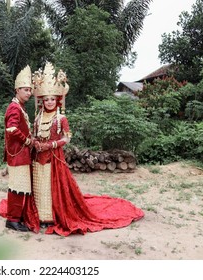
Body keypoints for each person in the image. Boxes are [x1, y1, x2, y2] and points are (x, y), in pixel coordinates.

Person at [28, 61, 144, 236]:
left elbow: (67, 138)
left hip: (54, 157)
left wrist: (51, 144)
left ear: (57, 99)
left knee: (54, 187)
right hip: (38, 158)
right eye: (46, 99)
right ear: (42, 100)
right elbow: (34, 133)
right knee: (39, 186)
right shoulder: (37, 117)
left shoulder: (61, 118)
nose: (50, 102)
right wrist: (35, 142)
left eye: (52, 99)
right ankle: (40, 215)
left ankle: (53, 216)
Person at [1, 65, 36, 232]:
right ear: (17, 90)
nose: (28, 93)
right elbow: (12, 129)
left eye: (30, 90)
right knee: (17, 187)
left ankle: (16, 217)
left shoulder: (20, 106)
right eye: (25, 89)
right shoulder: (14, 107)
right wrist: (28, 141)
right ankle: (12, 219)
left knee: (20, 186)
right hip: (17, 154)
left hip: (20, 154)